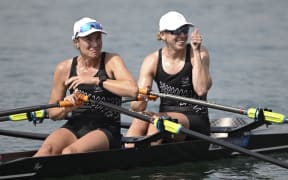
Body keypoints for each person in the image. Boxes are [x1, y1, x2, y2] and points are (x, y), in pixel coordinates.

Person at [34, 17, 138, 156]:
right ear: (76, 42)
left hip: (107, 129)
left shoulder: (111, 61)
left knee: (69, 152)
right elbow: (53, 113)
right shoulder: (63, 68)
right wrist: (66, 108)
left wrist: (96, 81)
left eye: (98, 38)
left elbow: (133, 90)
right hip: (75, 126)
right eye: (89, 39)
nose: (95, 44)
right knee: (47, 150)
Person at [125, 11, 212, 148]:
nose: (183, 35)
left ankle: (146, 157)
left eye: (185, 30)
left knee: (158, 121)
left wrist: (195, 51)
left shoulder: (199, 53)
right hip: (165, 119)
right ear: (162, 35)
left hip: (195, 118)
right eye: (176, 31)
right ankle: (127, 153)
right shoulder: (151, 61)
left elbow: (201, 90)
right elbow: (136, 107)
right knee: (140, 119)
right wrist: (143, 97)